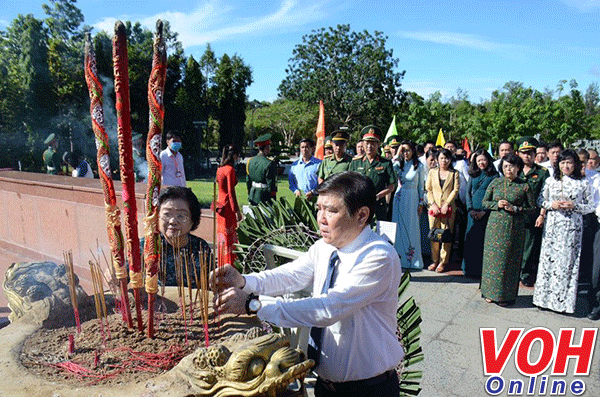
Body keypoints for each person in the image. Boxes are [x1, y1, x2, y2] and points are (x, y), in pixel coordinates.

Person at [212, 171, 404, 396]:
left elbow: (329, 308)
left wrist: (253, 305)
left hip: (369, 388)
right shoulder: (325, 246)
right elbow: (290, 275)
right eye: (319, 208)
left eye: (331, 210)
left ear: (362, 215)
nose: (321, 218)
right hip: (325, 385)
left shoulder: (378, 256)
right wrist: (245, 281)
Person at [533, 150, 596, 313]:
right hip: (553, 227)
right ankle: (543, 299)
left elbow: (590, 207)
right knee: (548, 262)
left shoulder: (583, 183)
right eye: (562, 163)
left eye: (569, 162)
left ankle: (562, 303)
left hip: (571, 228)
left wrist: (574, 206)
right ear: (557, 164)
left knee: (566, 264)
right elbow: (540, 200)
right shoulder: (550, 181)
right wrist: (551, 205)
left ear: (575, 164)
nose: (566, 166)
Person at [481, 153, 534, 306]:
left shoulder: (524, 186)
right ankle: (489, 292)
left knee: (508, 262)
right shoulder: (495, 183)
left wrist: (515, 208)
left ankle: (505, 296)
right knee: (492, 261)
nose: (508, 169)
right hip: (494, 227)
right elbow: (485, 202)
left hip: (513, 228)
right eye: (505, 166)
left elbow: (531, 209)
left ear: (518, 167)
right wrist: (496, 205)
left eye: (511, 166)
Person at [141, 186, 211, 287]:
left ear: (192, 220)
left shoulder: (200, 247)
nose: (173, 221)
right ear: (157, 217)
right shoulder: (147, 245)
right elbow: (124, 273)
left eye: (181, 216)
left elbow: (212, 281)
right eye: (167, 214)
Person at [516, 137, 550, 287]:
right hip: (515, 215)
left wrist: (542, 215)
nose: (527, 156)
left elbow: (545, 195)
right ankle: (514, 272)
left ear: (535, 154)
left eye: (530, 153)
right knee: (515, 245)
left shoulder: (542, 172)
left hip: (532, 215)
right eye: (524, 153)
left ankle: (526, 274)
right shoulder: (513, 170)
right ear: (518, 154)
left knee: (529, 247)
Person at [461, 149, 498, 278]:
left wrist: (484, 211)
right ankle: (468, 269)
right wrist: (470, 209)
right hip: (472, 212)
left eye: (483, 160)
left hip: (486, 212)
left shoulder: (495, 176)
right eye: (479, 160)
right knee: (470, 240)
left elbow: (495, 196)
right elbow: (467, 193)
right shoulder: (473, 175)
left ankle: (481, 271)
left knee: (482, 241)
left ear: (488, 160)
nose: (481, 163)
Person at [350, 125, 397, 221]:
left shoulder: (385, 163)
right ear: (362, 144)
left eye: (373, 143)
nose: (369, 146)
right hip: (360, 205)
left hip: (378, 206)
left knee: (379, 233)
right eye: (367, 143)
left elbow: (391, 186)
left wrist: (379, 196)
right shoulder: (356, 162)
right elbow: (350, 183)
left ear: (378, 144)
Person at [392, 141, 427, 269]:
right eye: (404, 150)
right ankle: (398, 258)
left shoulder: (419, 166)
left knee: (412, 228)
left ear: (413, 151)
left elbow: (421, 187)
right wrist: (398, 151)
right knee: (399, 228)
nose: (405, 153)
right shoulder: (398, 164)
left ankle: (412, 260)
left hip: (412, 198)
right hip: (399, 198)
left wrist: (421, 202)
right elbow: (390, 165)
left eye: (408, 150)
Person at [425, 148, 460, 272]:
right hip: (434, 209)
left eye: (446, 158)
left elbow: (455, 190)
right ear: (437, 159)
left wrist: (446, 204)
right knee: (434, 234)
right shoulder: (432, 172)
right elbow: (428, 189)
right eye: (441, 158)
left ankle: (443, 261)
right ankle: (434, 260)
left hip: (448, 208)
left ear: (450, 159)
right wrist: (432, 203)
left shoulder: (454, 173)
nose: (444, 161)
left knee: (446, 235)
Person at [216, 145, 243, 267]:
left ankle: (222, 261)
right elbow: (231, 193)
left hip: (219, 205)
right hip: (227, 207)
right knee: (230, 236)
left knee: (222, 236)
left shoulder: (220, 169)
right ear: (234, 155)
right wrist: (236, 210)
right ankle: (229, 263)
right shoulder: (230, 170)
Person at [246, 133, 278, 206]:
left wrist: (250, 193)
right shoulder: (269, 163)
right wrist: (273, 199)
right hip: (264, 197)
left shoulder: (250, 161)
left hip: (252, 194)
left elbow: (248, 180)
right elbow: (271, 184)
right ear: (266, 148)